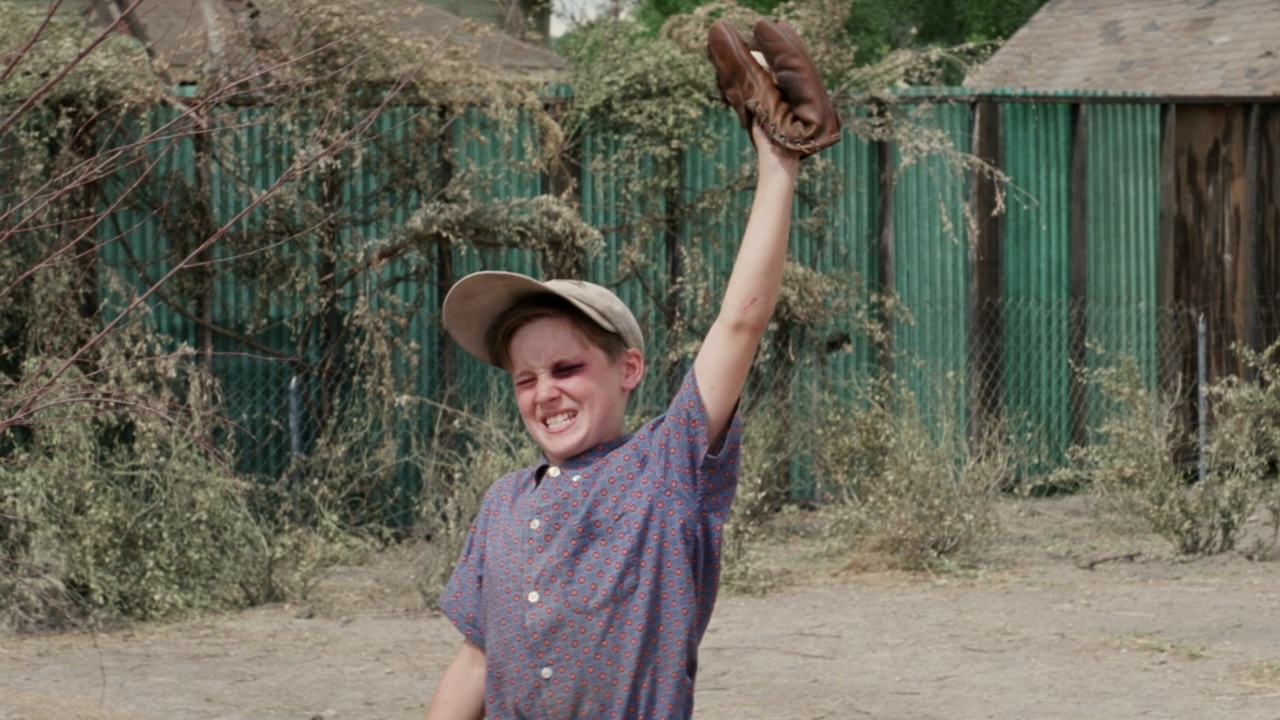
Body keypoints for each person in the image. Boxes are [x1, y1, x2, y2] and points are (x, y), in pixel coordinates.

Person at [424, 119, 799, 720]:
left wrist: (778, 165)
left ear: (627, 369)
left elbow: (741, 321)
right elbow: (476, 659)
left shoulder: (666, 468)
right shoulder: (503, 503)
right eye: (526, 378)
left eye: (566, 368)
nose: (545, 392)